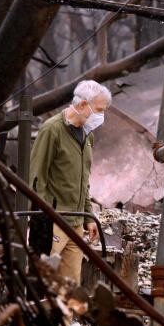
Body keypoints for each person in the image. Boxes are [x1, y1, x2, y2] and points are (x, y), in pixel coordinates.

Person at [29, 80, 112, 285]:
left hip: (76, 224)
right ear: (83, 104)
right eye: (99, 110)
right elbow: (37, 178)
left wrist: (88, 216)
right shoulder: (52, 130)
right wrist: (44, 219)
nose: (101, 116)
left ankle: (66, 319)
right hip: (54, 222)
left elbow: (84, 180)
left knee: (70, 286)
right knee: (44, 282)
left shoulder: (87, 135)